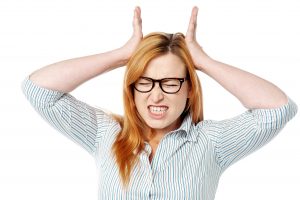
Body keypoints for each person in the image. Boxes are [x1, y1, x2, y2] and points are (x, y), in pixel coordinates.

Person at [22, 6, 297, 200]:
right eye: (145, 81)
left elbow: (278, 109)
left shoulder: (211, 142)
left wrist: (203, 62)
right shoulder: (104, 134)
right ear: (132, 88)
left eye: (169, 82)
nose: (156, 96)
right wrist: (122, 55)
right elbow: (39, 89)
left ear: (189, 88)